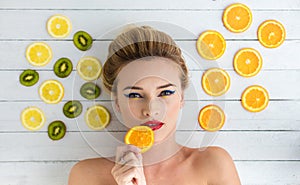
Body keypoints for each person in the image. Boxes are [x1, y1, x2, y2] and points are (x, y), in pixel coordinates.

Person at [68, 25, 241, 185]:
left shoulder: (214, 165)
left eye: (165, 93)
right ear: (116, 103)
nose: (151, 110)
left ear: (182, 97)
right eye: (135, 95)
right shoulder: (86, 176)